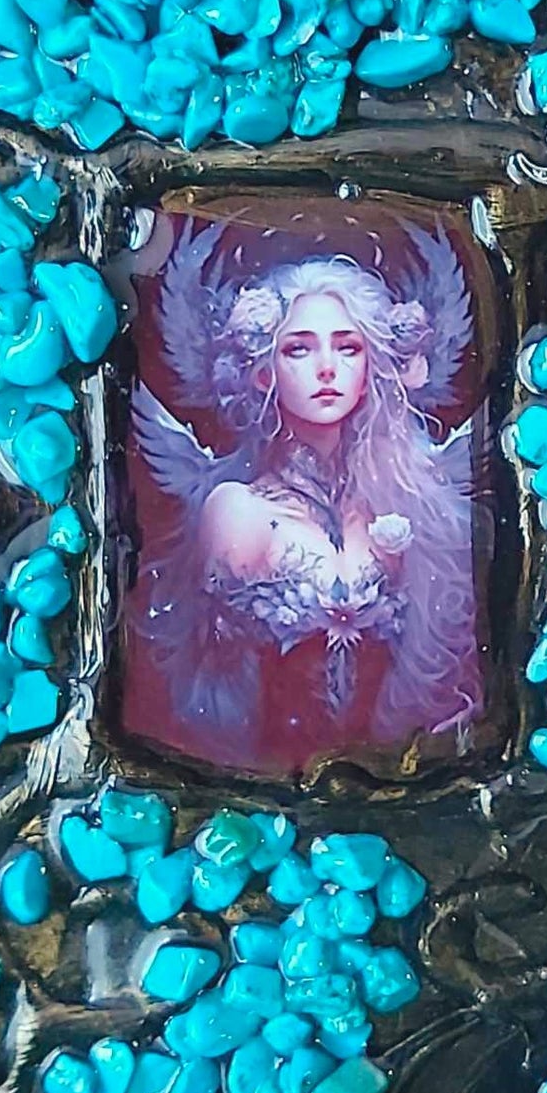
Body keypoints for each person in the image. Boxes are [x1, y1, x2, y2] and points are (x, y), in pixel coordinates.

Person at [126, 220, 483, 777]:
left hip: (397, 777)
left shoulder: (408, 501)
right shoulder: (237, 509)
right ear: (263, 372)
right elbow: (209, 690)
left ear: (372, 366)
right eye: (298, 349)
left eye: (348, 348)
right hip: (256, 785)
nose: (326, 369)